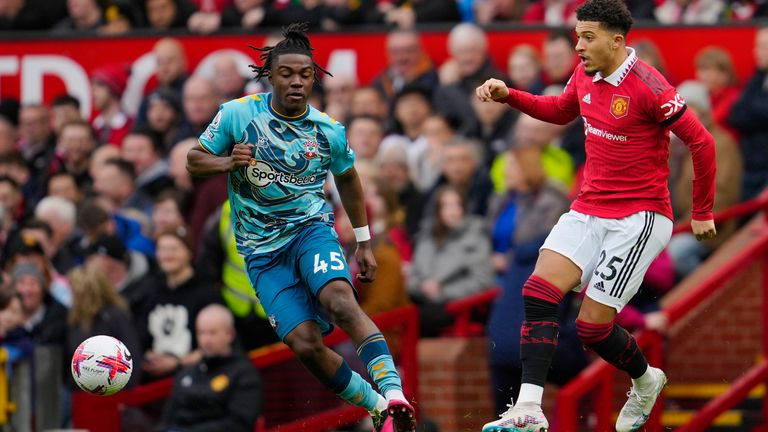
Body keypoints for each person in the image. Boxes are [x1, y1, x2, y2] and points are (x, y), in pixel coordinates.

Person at [475, 1, 717, 431]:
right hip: (589, 208)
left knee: (591, 330)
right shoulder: (585, 73)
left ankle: (645, 379)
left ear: (616, 40)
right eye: (577, 35)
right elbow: (561, 109)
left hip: (639, 218)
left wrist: (701, 211)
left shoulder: (650, 87)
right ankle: (529, 408)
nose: (578, 45)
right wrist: (509, 95)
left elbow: (702, 143)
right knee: (538, 292)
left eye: (588, 36)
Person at [186, 23, 415, 432]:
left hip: (310, 231)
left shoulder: (328, 129)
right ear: (270, 75)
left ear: (314, 77)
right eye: (287, 73)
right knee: (305, 344)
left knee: (341, 300)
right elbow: (194, 160)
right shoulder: (238, 114)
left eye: (304, 74)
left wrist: (363, 241)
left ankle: (395, 392)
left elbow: (348, 177)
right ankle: (376, 405)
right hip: (261, 253)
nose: (296, 82)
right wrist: (228, 162)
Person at [154, 304, 262, 432]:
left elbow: (239, 423)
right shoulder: (187, 373)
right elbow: (166, 420)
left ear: (230, 334)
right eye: (201, 333)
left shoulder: (244, 374)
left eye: (212, 333)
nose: (206, 340)